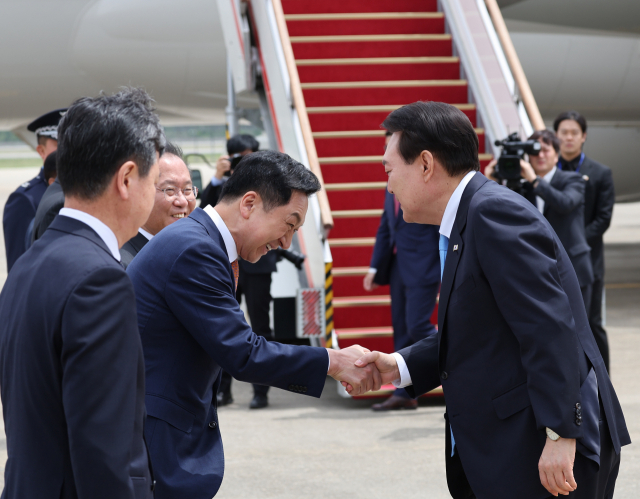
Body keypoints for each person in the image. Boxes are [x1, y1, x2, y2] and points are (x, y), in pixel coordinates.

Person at [353, 102, 629, 499]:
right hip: (515, 445)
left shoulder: (492, 214)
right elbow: (480, 326)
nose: (388, 183)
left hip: (544, 449)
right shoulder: (469, 216)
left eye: (389, 169)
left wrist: (559, 433)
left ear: (426, 164)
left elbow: (549, 327)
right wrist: (398, 366)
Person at [127, 150, 380, 498]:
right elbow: (243, 353)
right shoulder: (194, 250)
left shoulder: (202, 242)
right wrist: (333, 362)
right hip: (157, 446)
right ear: (249, 203)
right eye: (288, 224)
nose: (285, 242)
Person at [0, 88, 164, 498]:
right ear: (127, 179)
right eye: (156, 180)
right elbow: (104, 453)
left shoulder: (31, 263)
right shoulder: (99, 280)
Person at [364, 131, 440, 411]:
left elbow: (439, 229)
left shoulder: (426, 184)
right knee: (401, 327)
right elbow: (386, 227)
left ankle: (454, 360)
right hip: (398, 267)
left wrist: (446, 270)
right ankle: (406, 394)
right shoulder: (392, 184)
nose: (386, 152)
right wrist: (375, 265)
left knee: (417, 325)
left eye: (392, 146)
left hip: (425, 267)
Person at [486, 130, 594, 313]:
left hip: (574, 269)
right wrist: (490, 182)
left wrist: (534, 180)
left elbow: (565, 203)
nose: (540, 155)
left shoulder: (573, 179)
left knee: (579, 332)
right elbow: (502, 214)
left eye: (546, 150)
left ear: (556, 154)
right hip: (537, 272)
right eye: (535, 151)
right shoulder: (521, 187)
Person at [554, 111, 615, 373]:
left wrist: (573, 241)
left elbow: (603, 219)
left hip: (587, 258)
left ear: (584, 137)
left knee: (592, 322)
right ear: (556, 137)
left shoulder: (600, 173)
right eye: (563, 133)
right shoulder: (546, 171)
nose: (568, 138)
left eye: (574, 133)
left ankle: (603, 381)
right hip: (552, 256)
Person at [2, 108, 65, 271]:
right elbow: (18, 266)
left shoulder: (80, 189)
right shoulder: (24, 199)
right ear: (41, 151)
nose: (66, 150)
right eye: (59, 144)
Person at [120, 142, 197, 268]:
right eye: (170, 190)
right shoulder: (125, 265)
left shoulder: (191, 251)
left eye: (187, 190)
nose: (183, 201)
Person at [199, 133, 259, 209]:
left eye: (246, 157)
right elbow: (205, 207)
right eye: (237, 159)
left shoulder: (264, 181)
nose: (242, 162)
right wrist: (217, 176)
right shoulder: (224, 185)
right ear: (229, 158)